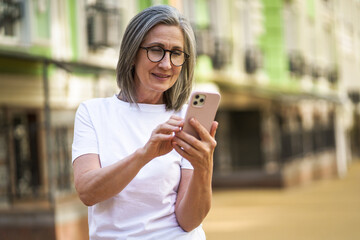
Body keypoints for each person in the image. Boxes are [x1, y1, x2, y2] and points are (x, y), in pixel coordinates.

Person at [72, 5, 218, 240]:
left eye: (176, 53)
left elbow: (189, 220)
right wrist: (145, 154)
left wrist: (204, 167)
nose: (166, 64)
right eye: (156, 50)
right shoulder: (93, 112)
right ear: (132, 54)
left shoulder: (186, 119)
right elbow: (88, 192)